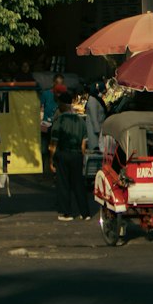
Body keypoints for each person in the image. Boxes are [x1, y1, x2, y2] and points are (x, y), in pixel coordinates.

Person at [48, 90, 87, 221]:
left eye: (59, 103)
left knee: (63, 183)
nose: (58, 105)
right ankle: (85, 213)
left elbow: (54, 143)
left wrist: (51, 160)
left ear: (63, 105)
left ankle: (66, 213)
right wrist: (81, 158)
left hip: (63, 154)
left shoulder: (59, 121)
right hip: (77, 155)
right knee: (78, 184)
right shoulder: (80, 121)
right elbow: (83, 144)